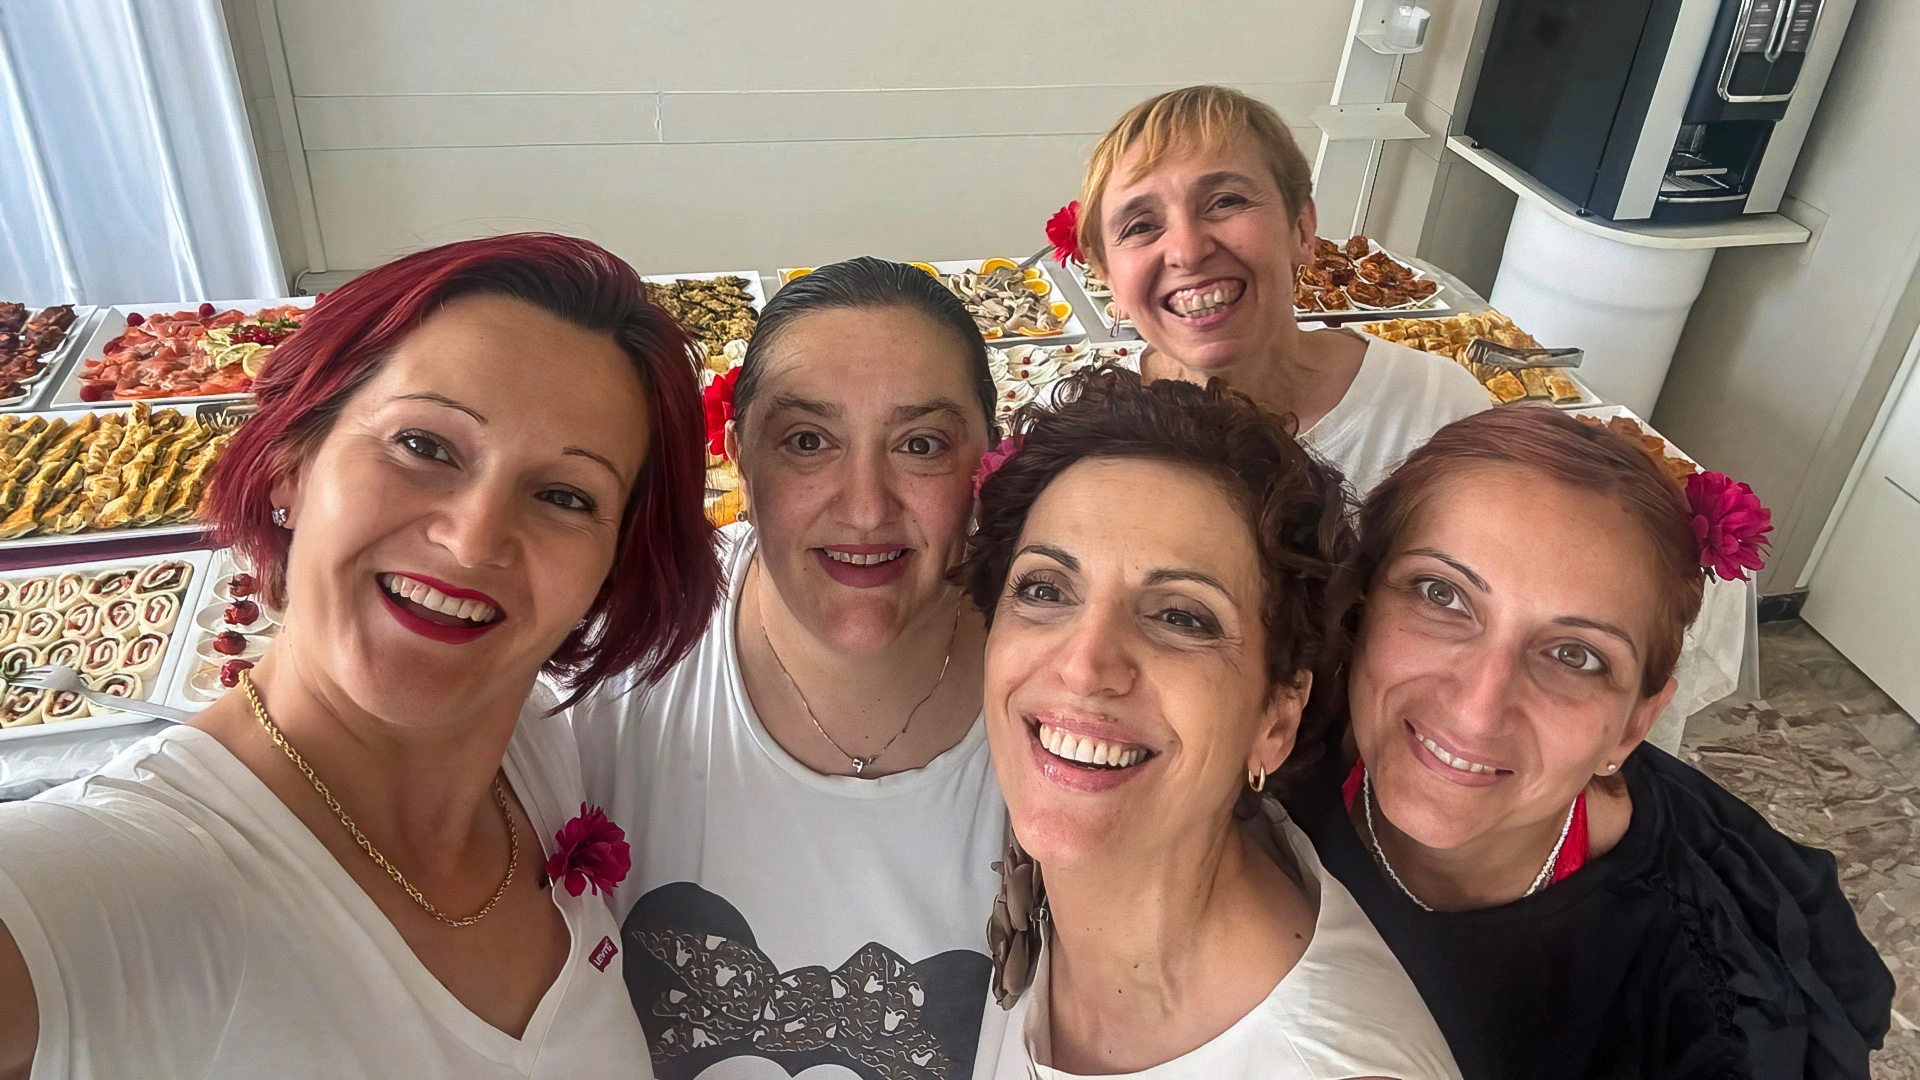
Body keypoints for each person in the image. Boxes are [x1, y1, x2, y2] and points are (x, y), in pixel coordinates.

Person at [0, 233, 724, 1079]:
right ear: (290, 463)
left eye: (564, 496)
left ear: (612, 565)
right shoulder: (131, 881)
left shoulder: (542, 748)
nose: (473, 540)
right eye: (425, 446)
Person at [1284, 406, 1894, 1079]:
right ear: (1362, 606)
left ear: (1634, 726)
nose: (1477, 710)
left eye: (1574, 655)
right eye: (1442, 595)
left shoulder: (1700, 1014)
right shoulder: (1270, 748)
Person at [569, 257, 1010, 1079]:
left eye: (920, 445)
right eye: (808, 442)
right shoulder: (612, 666)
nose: (866, 507)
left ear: (986, 455)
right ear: (739, 453)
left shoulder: (1066, 698)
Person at [964, 368, 1460, 1080]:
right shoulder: (1083, 865)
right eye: (1046, 589)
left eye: (1179, 617)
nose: (1085, 666)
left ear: (1276, 718)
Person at [1075, 85, 1489, 495]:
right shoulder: (1082, 433)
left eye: (1225, 202)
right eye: (1141, 226)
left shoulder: (1436, 413)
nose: (1187, 252)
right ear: (1107, 275)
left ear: (1302, 230)